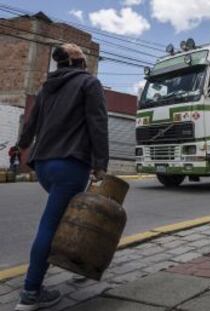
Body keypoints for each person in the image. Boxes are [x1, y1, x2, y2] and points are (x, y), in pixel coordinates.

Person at [14, 43, 109, 311]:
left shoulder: (47, 87)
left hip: (44, 165)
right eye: (81, 52)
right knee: (51, 224)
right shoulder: (89, 83)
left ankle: (77, 264)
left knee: (66, 216)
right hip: (70, 165)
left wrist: (22, 145)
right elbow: (98, 123)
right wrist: (100, 163)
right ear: (76, 60)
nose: (84, 55)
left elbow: (31, 123)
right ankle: (31, 293)